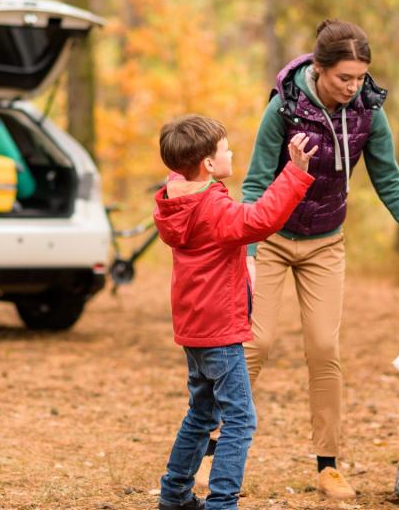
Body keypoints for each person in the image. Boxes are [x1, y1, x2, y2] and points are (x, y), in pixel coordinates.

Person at [200, 19, 399, 500]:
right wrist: (249, 253)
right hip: (271, 238)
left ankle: (327, 464)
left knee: (323, 349)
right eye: (344, 78)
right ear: (319, 69)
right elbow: (254, 183)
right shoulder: (284, 108)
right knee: (255, 343)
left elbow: (390, 180)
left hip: (325, 243)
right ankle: (213, 453)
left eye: (360, 77)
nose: (353, 87)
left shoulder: (368, 113)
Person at [153, 114, 317, 510]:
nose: (232, 152)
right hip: (220, 330)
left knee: (201, 414)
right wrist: (294, 174)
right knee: (240, 421)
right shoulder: (210, 206)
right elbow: (259, 221)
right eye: (225, 149)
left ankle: (174, 496)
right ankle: (222, 503)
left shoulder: (176, 196)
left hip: (194, 326)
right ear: (208, 163)